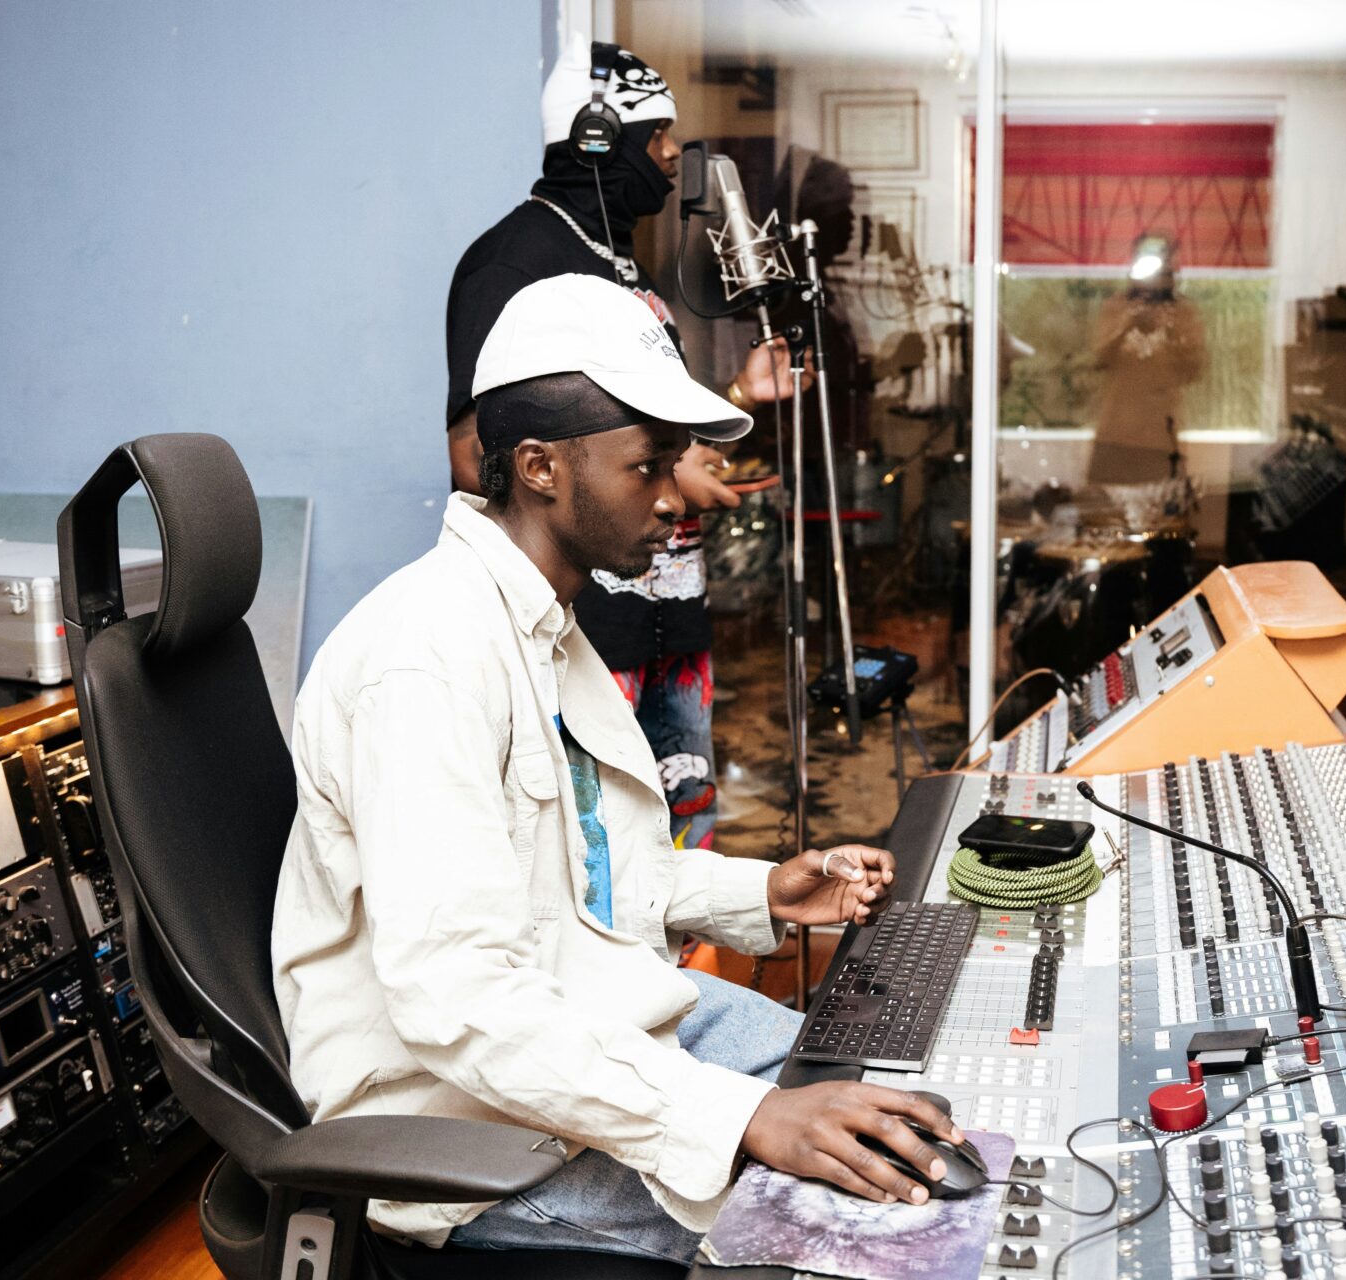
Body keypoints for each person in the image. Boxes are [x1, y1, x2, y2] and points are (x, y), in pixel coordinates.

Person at [275, 275, 962, 1264]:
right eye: (647, 467)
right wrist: (742, 1119)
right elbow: (459, 999)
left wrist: (762, 892)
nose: (674, 496)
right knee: (845, 1219)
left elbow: (592, 878)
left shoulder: (545, 628)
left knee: (889, 1092)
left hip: (583, 1020)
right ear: (541, 466)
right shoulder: (423, 662)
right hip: (461, 1117)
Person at [443, 41, 797, 850]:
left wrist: (736, 399)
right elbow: (475, 453)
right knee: (594, 856)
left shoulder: (619, 259)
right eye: (657, 133)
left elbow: (638, 432)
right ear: (597, 135)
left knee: (679, 845)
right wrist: (656, 479)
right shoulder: (514, 261)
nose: (672, 155)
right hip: (589, 625)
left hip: (669, 614)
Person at [1086, 232, 1206, 489]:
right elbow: (1098, 360)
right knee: (1105, 504)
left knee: (1163, 505)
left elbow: (1194, 370)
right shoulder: (1116, 307)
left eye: (1163, 264)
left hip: (1160, 434)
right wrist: (1126, 325)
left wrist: (1171, 330)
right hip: (1116, 429)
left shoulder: (1184, 313)